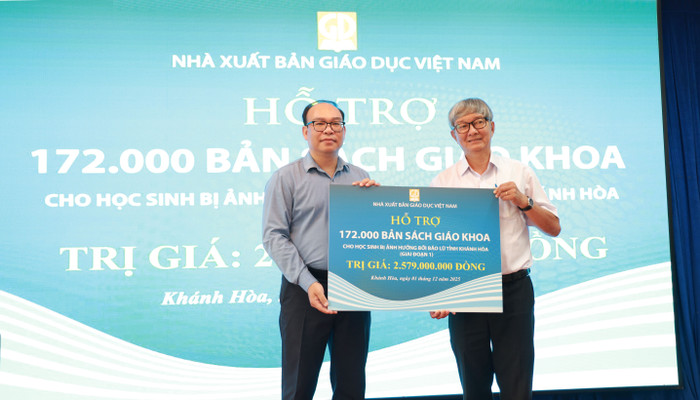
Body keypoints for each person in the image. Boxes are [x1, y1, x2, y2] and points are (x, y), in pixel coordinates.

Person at [430, 98, 561, 400]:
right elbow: (437, 245)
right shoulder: (443, 181)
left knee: (517, 386)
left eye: (479, 122)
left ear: (492, 126)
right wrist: (438, 294)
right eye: (463, 126)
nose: (472, 130)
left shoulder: (519, 171)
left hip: (513, 290)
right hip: (465, 293)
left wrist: (523, 201)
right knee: (474, 386)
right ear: (454, 135)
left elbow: (554, 227)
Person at [262, 100, 377, 400]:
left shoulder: (360, 176)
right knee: (299, 385)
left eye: (336, 123)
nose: (329, 129)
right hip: (304, 286)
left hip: (352, 285)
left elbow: (372, 235)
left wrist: (377, 205)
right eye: (319, 123)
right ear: (305, 131)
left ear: (344, 130)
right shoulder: (285, 177)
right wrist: (308, 282)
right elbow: (274, 236)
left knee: (352, 383)